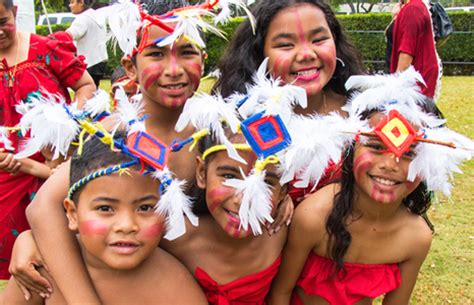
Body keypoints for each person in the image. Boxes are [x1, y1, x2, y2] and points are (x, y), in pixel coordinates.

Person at [8, 1, 290, 303]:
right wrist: (36, 247)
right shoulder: (116, 134)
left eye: (187, 52)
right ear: (131, 66)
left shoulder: (220, 128)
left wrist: (287, 203)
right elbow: (45, 208)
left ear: (203, 59)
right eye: (156, 54)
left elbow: (271, 173)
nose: (174, 70)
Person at [268, 69, 474, 305]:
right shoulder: (314, 216)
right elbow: (280, 293)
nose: (389, 164)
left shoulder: (416, 238)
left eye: (409, 153)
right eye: (376, 146)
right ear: (351, 149)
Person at [0, 135, 208, 305]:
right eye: (105, 208)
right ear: (72, 214)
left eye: (145, 208)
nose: (126, 225)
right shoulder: (40, 271)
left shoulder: (174, 287)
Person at [214, 0, 364, 203]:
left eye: (319, 39)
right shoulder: (238, 127)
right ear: (259, 53)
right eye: (285, 45)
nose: (306, 55)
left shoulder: (365, 115)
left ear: (335, 41)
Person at [0, 0, 95, 279]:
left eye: (2, 21)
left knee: (61, 254)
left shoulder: (46, 49)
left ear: (15, 12)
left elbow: (86, 85)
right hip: (6, 173)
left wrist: (69, 123)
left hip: (55, 168)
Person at [390, 0, 441, 100]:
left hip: (416, 81)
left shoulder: (413, 9)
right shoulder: (414, 6)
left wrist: (395, 85)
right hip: (420, 77)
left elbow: (407, 51)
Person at [67, 0, 108, 88]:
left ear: (81, 2)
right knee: (94, 90)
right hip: (100, 60)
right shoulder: (96, 15)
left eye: (72, 2)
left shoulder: (83, 18)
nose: (70, 5)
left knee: (87, 91)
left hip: (89, 63)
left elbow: (71, 34)